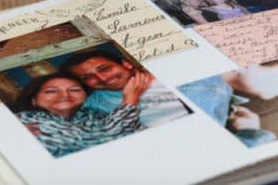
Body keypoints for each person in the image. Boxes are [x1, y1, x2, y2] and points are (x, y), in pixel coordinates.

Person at [14, 73, 147, 157]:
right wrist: (130, 100)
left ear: (85, 97)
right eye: (51, 91)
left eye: (74, 90)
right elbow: (89, 139)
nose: (65, 95)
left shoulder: (92, 113)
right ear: (34, 100)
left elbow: (137, 132)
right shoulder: (24, 119)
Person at [61, 51, 189, 128]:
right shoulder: (93, 104)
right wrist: (129, 101)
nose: (103, 78)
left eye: (104, 68)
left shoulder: (169, 77)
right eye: (88, 77)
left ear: (126, 64)